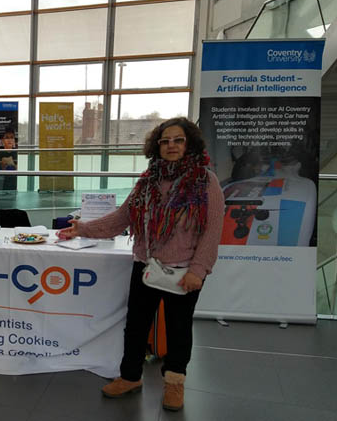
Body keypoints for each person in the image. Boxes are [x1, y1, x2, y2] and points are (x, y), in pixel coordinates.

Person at [57, 117, 224, 411]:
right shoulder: (148, 181)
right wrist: (82, 228)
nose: (171, 146)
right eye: (165, 141)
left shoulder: (205, 181)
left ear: (190, 144)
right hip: (146, 265)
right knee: (135, 326)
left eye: (178, 140)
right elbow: (122, 218)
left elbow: (212, 231)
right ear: (157, 146)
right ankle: (131, 376)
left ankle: (174, 383)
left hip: (184, 270)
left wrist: (199, 270)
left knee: (179, 330)